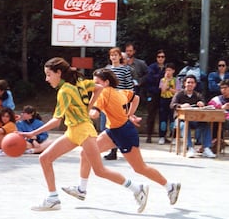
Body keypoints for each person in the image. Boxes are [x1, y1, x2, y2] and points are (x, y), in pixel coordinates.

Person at [20, 57, 149, 213]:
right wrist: (88, 107)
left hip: (83, 131)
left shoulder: (65, 91)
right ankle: (53, 198)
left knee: (100, 171)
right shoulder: (78, 83)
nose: (47, 79)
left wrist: (32, 133)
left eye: (49, 74)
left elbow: (56, 121)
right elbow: (98, 88)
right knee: (45, 158)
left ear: (59, 73)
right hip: (74, 131)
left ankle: (137, 188)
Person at [63, 68, 180, 209]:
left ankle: (170, 187)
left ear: (106, 82)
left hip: (124, 133)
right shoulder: (120, 92)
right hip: (112, 131)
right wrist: (130, 114)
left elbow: (94, 114)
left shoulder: (103, 93)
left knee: (140, 168)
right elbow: (135, 98)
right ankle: (81, 190)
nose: (95, 85)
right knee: (85, 153)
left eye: (97, 82)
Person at [170, 75, 216, 158]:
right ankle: (190, 148)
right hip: (180, 120)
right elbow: (172, 105)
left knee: (205, 124)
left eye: (192, 83)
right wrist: (181, 106)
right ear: (184, 83)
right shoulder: (179, 94)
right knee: (184, 125)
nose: (190, 84)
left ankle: (206, 148)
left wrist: (202, 104)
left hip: (194, 119)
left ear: (195, 84)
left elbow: (203, 103)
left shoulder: (198, 95)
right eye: (188, 82)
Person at [103, 47, 135, 160]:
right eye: (112, 55)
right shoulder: (106, 70)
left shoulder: (125, 70)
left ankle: (116, 150)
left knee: (118, 126)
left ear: (120, 56)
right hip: (107, 100)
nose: (113, 57)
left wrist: (128, 100)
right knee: (108, 125)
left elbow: (130, 86)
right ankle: (113, 149)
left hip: (120, 100)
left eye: (116, 55)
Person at [144, 49, 166, 143]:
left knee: (163, 115)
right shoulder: (152, 67)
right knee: (151, 115)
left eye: (162, 57)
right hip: (152, 94)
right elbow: (150, 79)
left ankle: (163, 136)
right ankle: (149, 135)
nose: (161, 58)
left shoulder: (166, 67)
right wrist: (161, 78)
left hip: (164, 95)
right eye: (159, 57)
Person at [158, 63, 181, 145]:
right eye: (167, 70)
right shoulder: (162, 80)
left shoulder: (176, 80)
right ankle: (162, 136)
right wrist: (166, 81)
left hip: (172, 100)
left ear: (173, 71)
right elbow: (163, 90)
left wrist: (169, 88)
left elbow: (177, 92)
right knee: (163, 120)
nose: (168, 72)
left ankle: (173, 136)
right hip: (163, 100)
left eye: (170, 70)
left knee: (172, 120)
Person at [207, 79, 229, 152]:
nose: (223, 90)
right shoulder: (216, 99)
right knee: (215, 120)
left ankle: (217, 142)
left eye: (225, 88)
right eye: (221, 88)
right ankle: (215, 142)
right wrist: (221, 108)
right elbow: (209, 109)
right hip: (220, 120)